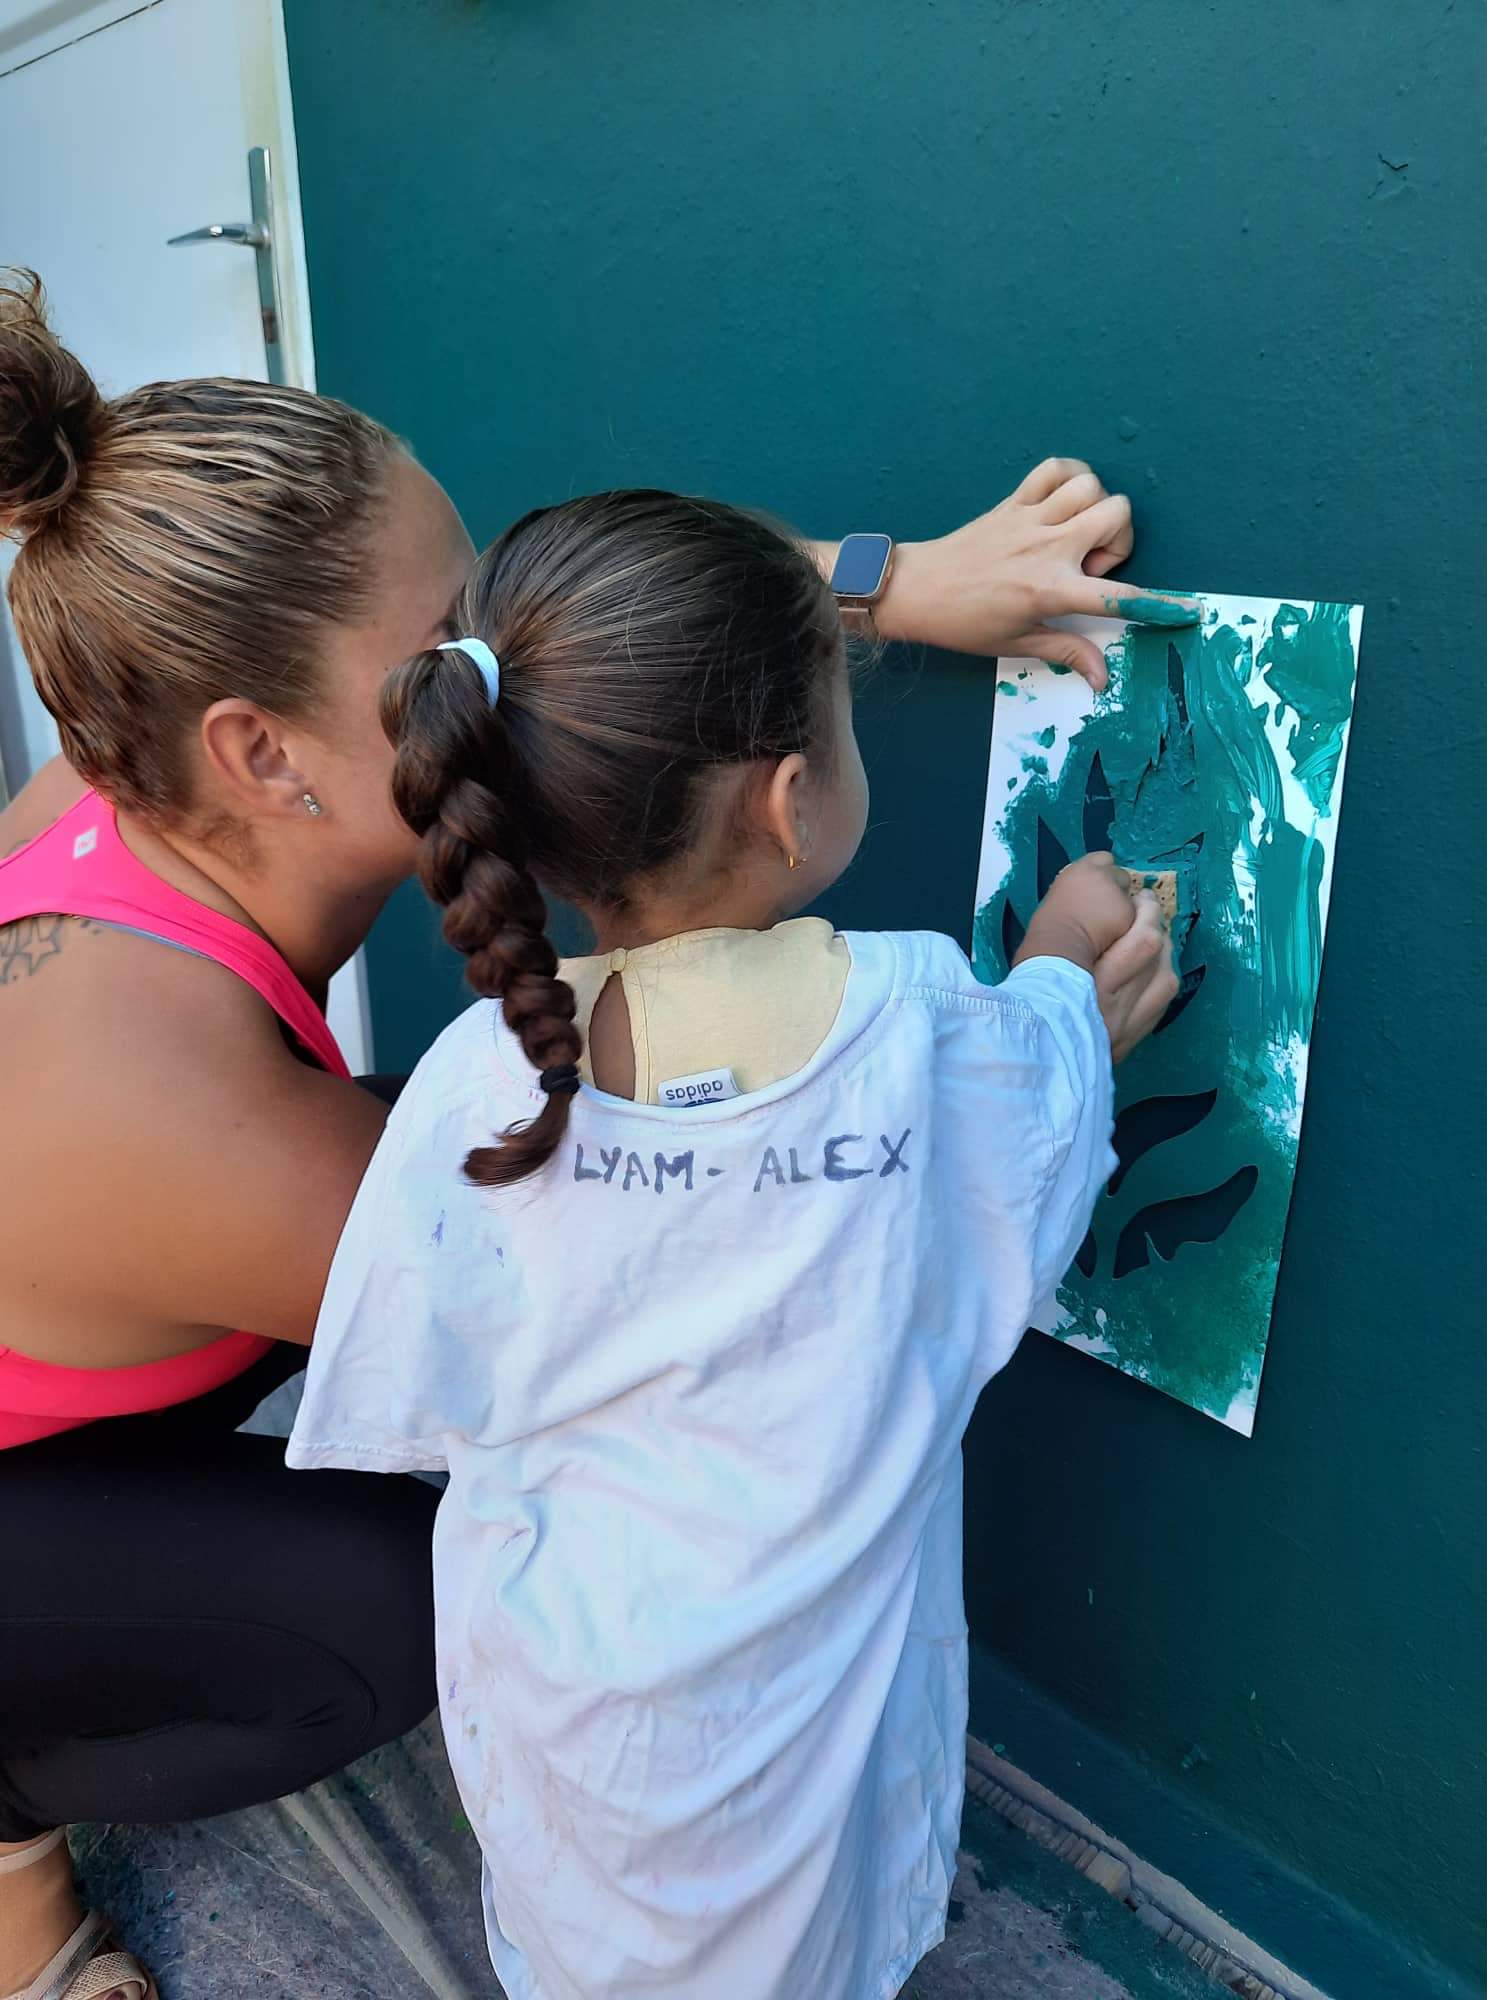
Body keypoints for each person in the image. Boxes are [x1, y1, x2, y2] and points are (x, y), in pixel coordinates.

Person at [0, 268, 1186, 2000]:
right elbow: (717, 1273)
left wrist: (886, 584)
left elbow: (583, 637)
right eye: (448, 643)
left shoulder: (127, 757)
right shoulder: (192, 1129)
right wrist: (1045, 1020)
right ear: (262, 752)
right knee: (406, 1592)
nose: (511, 663)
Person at [286, 490, 1179, 2000]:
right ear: (787, 802)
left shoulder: (475, 1077)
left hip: (563, 1717)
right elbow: (1030, 1134)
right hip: (802, 1760)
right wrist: (1066, 957)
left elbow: (408, 1382)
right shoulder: (929, 1033)